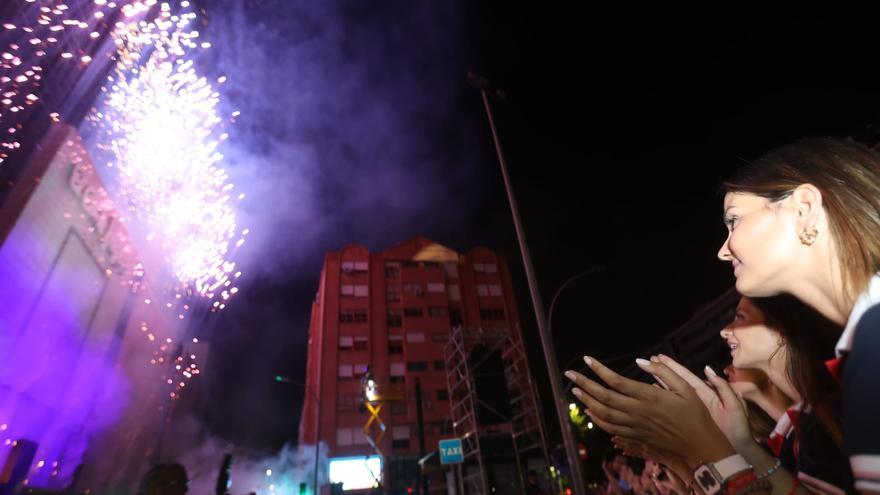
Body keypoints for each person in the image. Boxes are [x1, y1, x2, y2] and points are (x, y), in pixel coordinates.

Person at [565, 138, 880, 493]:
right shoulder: (861, 344)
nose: (722, 251)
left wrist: (700, 442)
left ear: (803, 208)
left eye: (734, 220)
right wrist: (733, 445)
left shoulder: (873, 335)